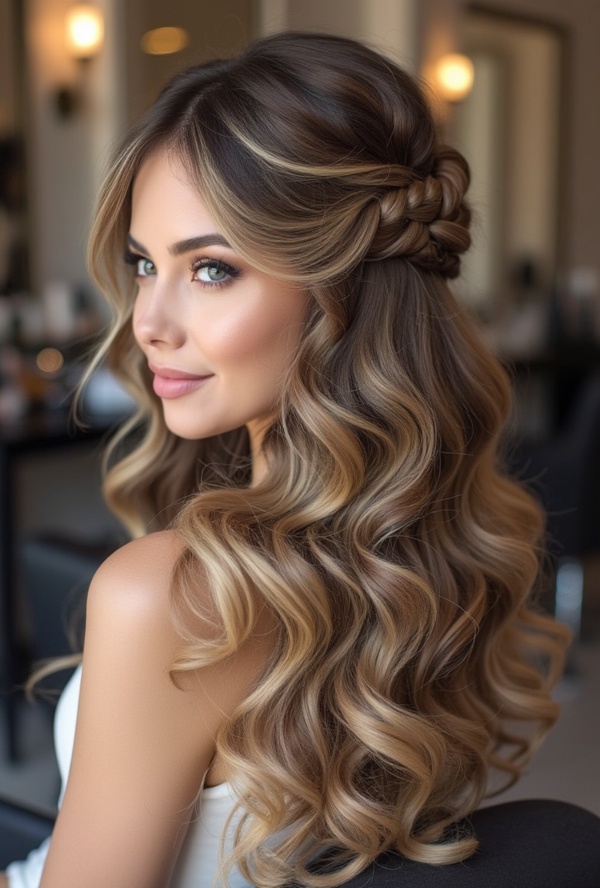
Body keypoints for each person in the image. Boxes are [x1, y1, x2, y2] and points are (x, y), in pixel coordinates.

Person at [2, 31, 577, 888]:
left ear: (340, 292)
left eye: (211, 270)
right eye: (143, 263)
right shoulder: (433, 548)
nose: (147, 320)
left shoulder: (166, 597)